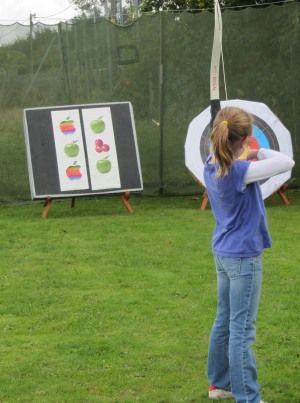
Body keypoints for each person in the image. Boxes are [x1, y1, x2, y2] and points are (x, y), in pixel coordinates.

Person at [203, 106, 295, 403]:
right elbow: (286, 161)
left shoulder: (210, 161)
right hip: (242, 257)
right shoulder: (241, 171)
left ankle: (219, 386)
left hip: (224, 252)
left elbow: (227, 152)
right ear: (244, 140)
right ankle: (248, 398)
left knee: (225, 320)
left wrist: (244, 149)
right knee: (241, 329)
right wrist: (256, 152)